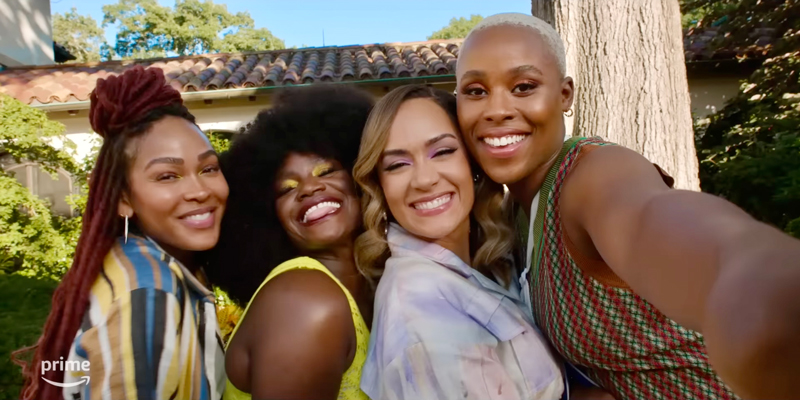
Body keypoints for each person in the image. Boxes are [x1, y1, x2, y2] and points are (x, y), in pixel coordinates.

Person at [455, 12, 800, 400]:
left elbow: (652, 220)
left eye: (523, 86)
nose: (496, 109)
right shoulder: (512, 213)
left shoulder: (591, 176)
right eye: (475, 91)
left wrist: (754, 279)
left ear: (565, 94)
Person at [12, 65, 229, 400]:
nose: (199, 190)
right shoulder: (149, 292)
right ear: (124, 199)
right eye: (167, 176)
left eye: (209, 168)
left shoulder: (134, 263)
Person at [353, 84, 566, 400]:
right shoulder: (418, 315)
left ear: (473, 163)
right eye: (397, 164)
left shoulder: (489, 256)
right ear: (380, 187)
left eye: (442, 151)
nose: (424, 179)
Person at [210, 85, 374, 400]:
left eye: (326, 171)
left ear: (361, 177)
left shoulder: (372, 288)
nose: (310, 188)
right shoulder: (304, 301)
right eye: (286, 189)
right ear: (268, 219)